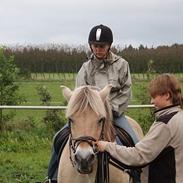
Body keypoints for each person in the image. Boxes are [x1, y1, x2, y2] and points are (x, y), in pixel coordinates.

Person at [43, 24, 139, 183]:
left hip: (114, 114)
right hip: (87, 117)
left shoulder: (122, 65)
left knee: (134, 140)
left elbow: (126, 91)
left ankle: (138, 175)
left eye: (102, 46)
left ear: (109, 46)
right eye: (95, 46)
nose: (98, 49)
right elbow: (80, 96)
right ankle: (52, 177)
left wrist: (110, 111)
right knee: (57, 138)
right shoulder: (86, 68)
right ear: (91, 46)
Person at [96, 73, 183, 183]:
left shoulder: (165, 124)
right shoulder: (179, 116)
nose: (151, 102)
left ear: (167, 95)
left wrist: (107, 146)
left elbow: (138, 155)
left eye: (154, 96)